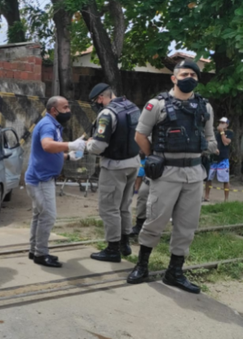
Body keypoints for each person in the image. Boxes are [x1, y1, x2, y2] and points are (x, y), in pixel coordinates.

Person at [127, 59, 217, 294]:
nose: (190, 78)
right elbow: (140, 135)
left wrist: (207, 148)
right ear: (174, 78)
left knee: (187, 225)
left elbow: (210, 138)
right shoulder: (156, 105)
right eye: (185, 73)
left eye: (194, 75)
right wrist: (153, 157)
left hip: (195, 174)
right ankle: (142, 266)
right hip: (166, 172)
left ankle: (174, 272)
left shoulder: (205, 107)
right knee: (155, 220)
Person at [25, 96, 86, 267]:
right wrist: (70, 145)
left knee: (38, 215)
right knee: (48, 217)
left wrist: (67, 156)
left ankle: (34, 250)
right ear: (54, 110)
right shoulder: (47, 125)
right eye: (65, 107)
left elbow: (50, 151)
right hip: (41, 180)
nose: (68, 111)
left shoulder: (52, 124)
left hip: (39, 178)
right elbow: (47, 145)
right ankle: (41, 253)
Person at [86, 83, 141, 263]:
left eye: (96, 101)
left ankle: (112, 249)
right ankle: (125, 243)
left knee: (109, 208)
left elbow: (99, 146)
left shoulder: (107, 114)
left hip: (114, 166)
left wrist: (88, 144)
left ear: (101, 98)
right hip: (134, 162)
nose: (96, 104)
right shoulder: (132, 107)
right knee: (124, 206)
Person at [204, 117, 232, 202]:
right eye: (220, 122)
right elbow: (209, 141)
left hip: (223, 159)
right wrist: (213, 149)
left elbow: (226, 142)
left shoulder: (229, 132)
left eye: (223, 123)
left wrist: (222, 132)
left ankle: (226, 199)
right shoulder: (214, 133)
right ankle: (206, 196)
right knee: (209, 179)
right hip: (213, 159)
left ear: (227, 124)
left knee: (225, 180)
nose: (221, 124)